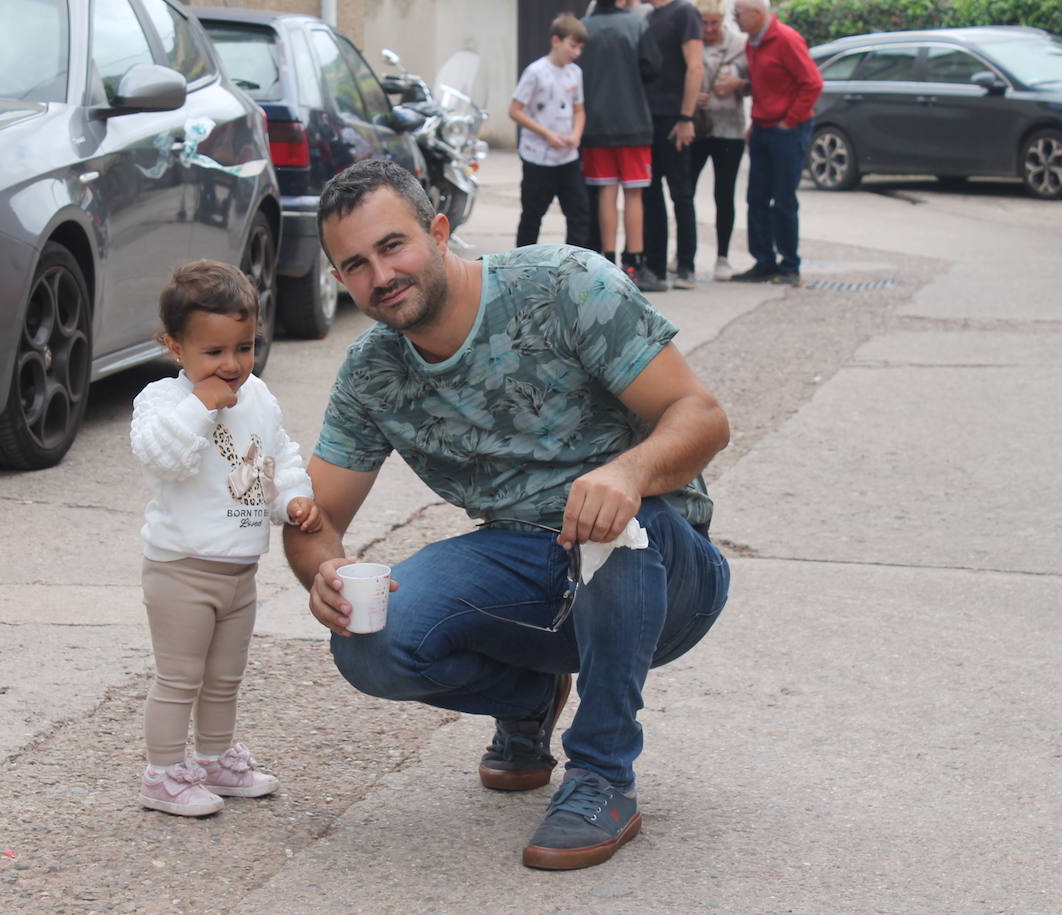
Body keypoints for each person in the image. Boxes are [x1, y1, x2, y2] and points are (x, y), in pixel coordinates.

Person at [285, 160, 732, 870]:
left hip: (664, 567)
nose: (381, 274)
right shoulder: (373, 372)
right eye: (356, 265)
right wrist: (325, 572)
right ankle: (529, 698)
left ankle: (602, 773)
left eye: (393, 245)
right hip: (525, 561)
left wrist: (626, 472)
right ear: (342, 280)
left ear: (438, 231)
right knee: (367, 640)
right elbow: (313, 515)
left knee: (613, 528)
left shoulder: (563, 286)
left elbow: (703, 417)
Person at [129, 260, 323, 817]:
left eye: (244, 346)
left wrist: (292, 498)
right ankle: (163, 773)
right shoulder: (164, 402)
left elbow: (277, 456)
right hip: (181, 571)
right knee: (180, 677)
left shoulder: (258, 396)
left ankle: (215, 759)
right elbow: (163, 458)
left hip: (239, 571)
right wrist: (201, 405)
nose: (232, 365)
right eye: (214, 353)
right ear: (175, 347)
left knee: (223, 678)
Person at [723, 0, 823, 285]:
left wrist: (789, 121)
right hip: (764, 128)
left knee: (783, 200)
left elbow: (812, 84)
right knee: (756, 198)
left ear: (757, 13)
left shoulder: (787, 39)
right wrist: (756, 121)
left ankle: (789, 265)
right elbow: (763, 87)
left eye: (737, 14)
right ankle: (763, 261)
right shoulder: (754, 42)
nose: (735, 19)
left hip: (787, 130)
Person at [577, 0, 665, 292]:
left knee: (605, 190)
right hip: (633, 121)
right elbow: (653, 68)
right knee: (634, 193)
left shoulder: (584, 27)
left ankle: (608, 258)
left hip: (595, 123)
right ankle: (634, 262)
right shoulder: (636, 23)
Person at [509, 13, 591, 250]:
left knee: (579, 212)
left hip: (567, 157)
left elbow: (580, 109)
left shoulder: (575, 72)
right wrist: (546, 134)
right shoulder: (535, 72)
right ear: (556, 40)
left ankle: (574, 266)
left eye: (580, 48)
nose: (575, 52)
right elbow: (515, 110)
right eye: (572, 46)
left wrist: (576, 135)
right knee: (532, 215)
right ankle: (521, 266)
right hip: (538, 155)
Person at [641, 0, 704, 290]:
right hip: (647, 119)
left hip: (674, 119)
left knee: (681, 193)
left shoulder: (684, 12)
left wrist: (686, 117)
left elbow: (695, 66)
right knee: (649, 193)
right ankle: (655, 266)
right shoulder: (650, 16)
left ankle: (686, 266)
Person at [691, 0, 749, 281]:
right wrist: (690, 99)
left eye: (715, 22)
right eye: (704, 23)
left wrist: (738, 85)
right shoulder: (689, 39)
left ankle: (723, 257)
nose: (709, 29)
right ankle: (684, 254)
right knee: (684, 192)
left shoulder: (740, 43)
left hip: (729, 127)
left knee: (724, 193)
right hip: (696, 127)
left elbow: (754, 82)